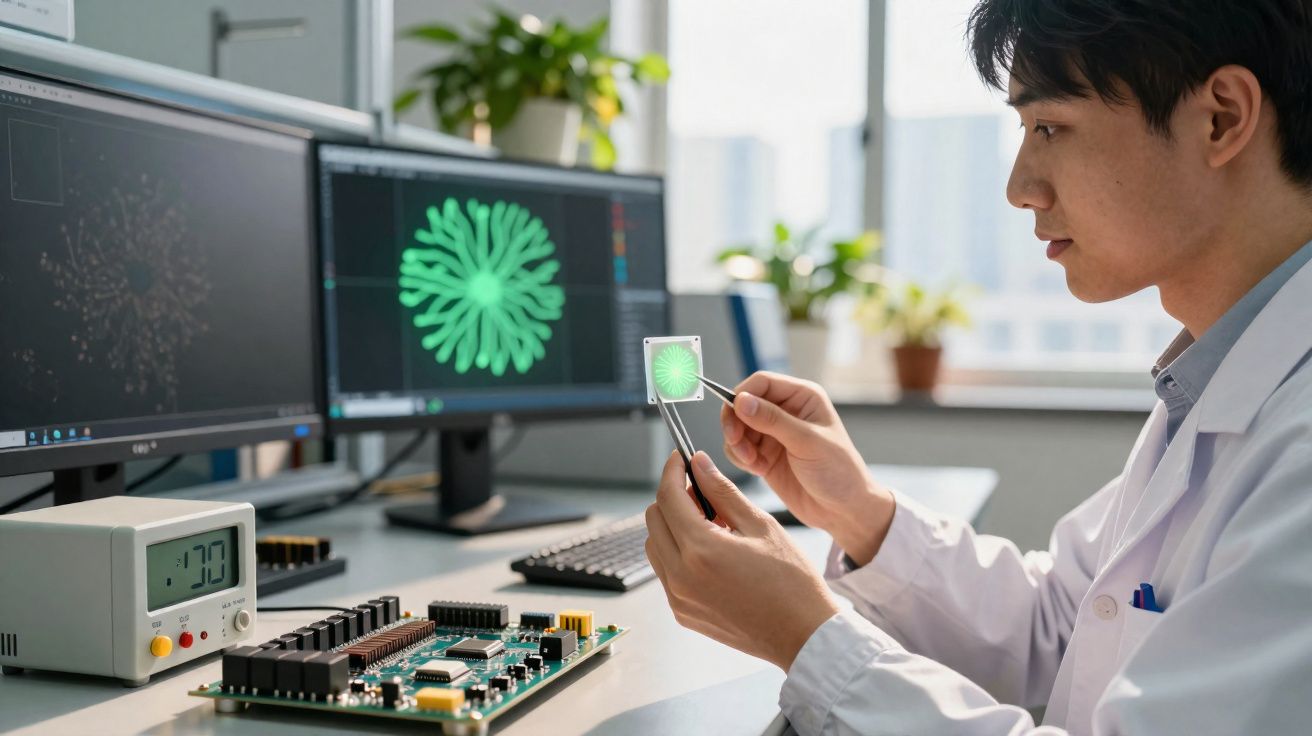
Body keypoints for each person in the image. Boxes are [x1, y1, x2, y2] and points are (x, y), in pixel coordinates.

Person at [644, 1, 1312, 733]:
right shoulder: (1216, 380)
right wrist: (858, 511)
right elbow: (1064, 623)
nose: (1020, 186)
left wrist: (804, 637)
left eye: (1049, 127)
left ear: (1219, 118)